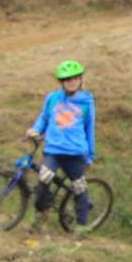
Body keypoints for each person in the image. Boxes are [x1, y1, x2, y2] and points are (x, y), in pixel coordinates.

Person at [28, 59, 96, 226]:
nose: (72, 82)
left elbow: (89, 129)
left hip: (76, 152)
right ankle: (40, 214)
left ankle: (82, 226)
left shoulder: (87, 103)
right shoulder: (52, 99)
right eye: (68, 79)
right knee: (44, 177)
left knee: (79, 187)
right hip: (54, 150)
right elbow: (44, 118)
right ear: (61, 82)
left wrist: (90, 156)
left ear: (81, 80)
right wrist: (35, 129)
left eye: (76, 78)